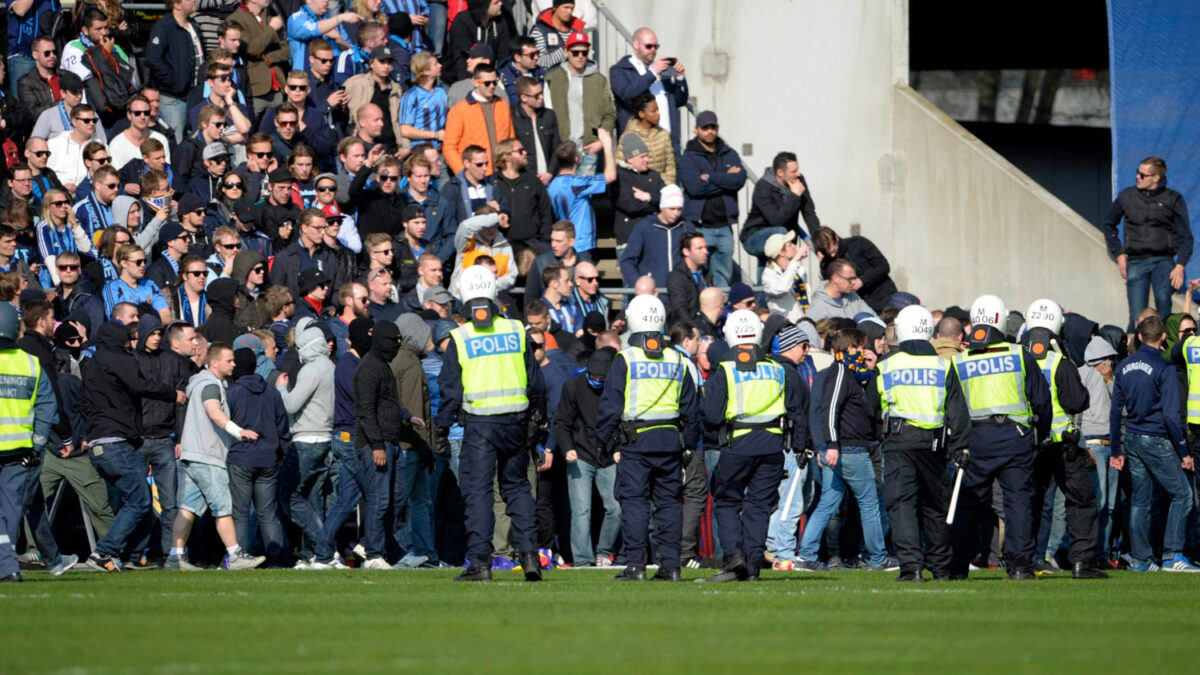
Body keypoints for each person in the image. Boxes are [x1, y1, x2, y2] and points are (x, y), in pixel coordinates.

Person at [437, 265, 546, 582]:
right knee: (518, 489)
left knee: (479, 492)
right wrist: (538, 429)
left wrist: (441, 431)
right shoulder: (516, 330)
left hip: (481, 427)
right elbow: (536, 385)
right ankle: (530, 559)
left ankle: (481, 564)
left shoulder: (461, 336)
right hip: (517, 424)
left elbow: (450, 390)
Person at [594, 294, 700, 582]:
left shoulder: (625, 359)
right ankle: (671, 567)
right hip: (670, 442)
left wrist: (600, 442)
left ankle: (637, 565)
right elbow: (691, 409)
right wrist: (689, 444)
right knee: (668, 504)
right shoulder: (678, 359)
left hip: (636, 442)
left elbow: (611, 406)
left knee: (635, 503)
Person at [947, 294, 1052, 580]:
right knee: (1018, 503)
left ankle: (958, 566)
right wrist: (1039, 437)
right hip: (1015, 438)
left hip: (976, 439)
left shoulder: (960, 361)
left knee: (969, 503)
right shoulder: (1020, 354)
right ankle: (1020, 566)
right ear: (1001, 320)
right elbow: (1042, 401)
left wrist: (958, 445)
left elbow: (953, 409)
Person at [698, 311, 808, 582]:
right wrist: (801, 447)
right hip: (772, 447)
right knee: (759, 506)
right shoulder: (778, 369)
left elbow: (710, 415)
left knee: (726, 501)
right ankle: (753, 565)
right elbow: (797, 410)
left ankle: (734, 556)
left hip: (737, 445)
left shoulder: (725, 369)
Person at [864, 305, 969, 581]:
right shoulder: (943, 366)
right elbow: (958, 413)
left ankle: (911, 568)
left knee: (902, 507)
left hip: (898, 442)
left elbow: (870, 408)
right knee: (935, 508)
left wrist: (881, 432)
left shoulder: (886, 366)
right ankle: (941, 568)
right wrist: (960, 448)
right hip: (934, 447)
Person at [79, 320, 182, 571]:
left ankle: (132, 556)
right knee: (139, 500)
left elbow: (82, 404)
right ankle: (104, 552)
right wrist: (172, 394)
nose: (131, 344)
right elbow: (140, 385)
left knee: (135, 500)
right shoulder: (120, 359)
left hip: (97, 445)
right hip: (116, 444)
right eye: (128, 339)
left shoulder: (91, 365)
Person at [1019, 299, 1108, 579]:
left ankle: (1025, 560)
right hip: (1061, 445)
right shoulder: (1061, 362)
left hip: (1029, 443)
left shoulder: (1016, 359)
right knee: (1081, 501)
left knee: (1029, 502)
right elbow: (1077, 401)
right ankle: (1082, 563)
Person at [794, 327, 896, 571]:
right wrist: (830, 444)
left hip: (842, 449)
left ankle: (806, 554)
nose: (863, 352)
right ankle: (877, 557)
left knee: (829, 501)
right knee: (869, 503)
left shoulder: (850, 373)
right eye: (860, 347)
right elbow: (829, 410)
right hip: (849, 450)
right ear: (850, 348)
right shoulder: (840, 372)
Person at [1110, 314, 1200, 572]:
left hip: (1134, 438)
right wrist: (1184, 450)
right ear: (1162, 337)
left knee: (1140, 500)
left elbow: (1116, 411)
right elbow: (1172, 415)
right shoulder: (1165, 367)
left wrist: (1117, 449)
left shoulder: (1123, 367)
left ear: (1139, 336)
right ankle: (1172, 556)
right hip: (1157, 439)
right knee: (1182, 495)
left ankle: (1141, 560)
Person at [165, 343, 266, 570]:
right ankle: (235, 554)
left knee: (188, 509)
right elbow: (214, 412)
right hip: (207, 456)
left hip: (194, 455)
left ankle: (175, 557)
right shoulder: (210, 385)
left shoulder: (202, 383)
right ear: (214, 363)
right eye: (229, 360)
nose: (234, 364)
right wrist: (238, 431)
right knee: (223, 508)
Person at [354, 318, 423, 569]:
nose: (397, 345)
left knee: (398, 496)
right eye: (393, 341)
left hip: (391, 442)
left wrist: (407, 416)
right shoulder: (369, 368)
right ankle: (373, 554)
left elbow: (387, 402)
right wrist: (377, 446)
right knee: (379, 500)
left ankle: (389, 550)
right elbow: (366, 410)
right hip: (377, 444)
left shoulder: (383, 365)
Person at [0, 302, 59, 582]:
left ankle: (8, 566)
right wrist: (37, 444)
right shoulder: (30, 364)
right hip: (19, 453)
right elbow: (48, 407)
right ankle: (8, 567)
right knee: (12, 511)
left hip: (14, 453)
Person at [1099, 157, 1193, 332]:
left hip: (1163, 261)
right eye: (1137, 172)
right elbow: (1108, 223)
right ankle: (1133, 353)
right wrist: (1119, 254)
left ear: (1156, 178)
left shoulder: (1173, 199)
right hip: (1136, 261)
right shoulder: (1127, 196)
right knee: (1137, 315)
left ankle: (1166, 350)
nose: (1137, 177)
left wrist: (1180, 265)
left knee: (1163, 304)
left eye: (1142, 175)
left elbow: (1186, 237)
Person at [312, 317, 372, 569]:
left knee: (346, 499)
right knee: (377, 494)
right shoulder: (349, 364)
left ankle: (323, 553)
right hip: (349, 437)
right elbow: (362, 402)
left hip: (349, 437)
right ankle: (371, 547)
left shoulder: (355, 362)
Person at [277, 317, 335, 566]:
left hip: (307, 439)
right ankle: (317, 553)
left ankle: (324, 546)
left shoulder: (313, 369)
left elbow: (291, 404)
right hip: (327, 438)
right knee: (313, 498)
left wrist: (281, 388)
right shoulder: (331, 366)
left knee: (289, 495)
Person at [225, 347, 290, 564]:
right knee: (268, 514)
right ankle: (277, 560)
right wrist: (281, 453)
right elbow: (283, 428)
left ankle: (242, 558)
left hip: (241, 458)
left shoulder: (231, 393)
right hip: (268, 458)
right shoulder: (272, 392)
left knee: (241, 514)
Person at [392, 314, 439, 568]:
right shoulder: (409, 363)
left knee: (418, 502)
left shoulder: (404, 359)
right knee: (407, 500)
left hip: (410, 446)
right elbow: (414, 412)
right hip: (411, 446)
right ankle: (375, 547)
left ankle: (426, 554)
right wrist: (425, 447)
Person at [679, 111, 746, 289]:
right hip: (701, 228)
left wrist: (709, 177)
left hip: (724, 226)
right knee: (699, 275)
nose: (709, 131)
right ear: (696, 129)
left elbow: (739, 180)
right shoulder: (689, 157)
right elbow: (695, 188)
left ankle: (721, 312)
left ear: (717, 128)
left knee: (723, 276)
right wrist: (725, 179)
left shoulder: (729, 153)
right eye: (705, 127)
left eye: (712, 127)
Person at [543, 32, 616, 175]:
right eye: (575, 52)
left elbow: (610, 114)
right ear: (566, 52)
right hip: (563, 151)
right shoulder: (552, 78)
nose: (580, 56)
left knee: (586, 192)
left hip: (590, 148)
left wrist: (600, 142)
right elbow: (547, 115)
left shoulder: (599, 80)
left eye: (584, 52)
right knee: (565, 194)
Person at [610, 27, 688, 152]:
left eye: (655, 47)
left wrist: (680, 78)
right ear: (636, 44)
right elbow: (627, 94)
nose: (653, 50)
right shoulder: (620, 70)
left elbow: (679, 101)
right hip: (639, 147)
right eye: (648, 46)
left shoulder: (661, 71)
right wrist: (652, 73)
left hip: (667, 144)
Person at [740, 151, 819, 260]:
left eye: (798, 169)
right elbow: (776, 220)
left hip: (782, 240)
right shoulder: (763, 187)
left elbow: (809, 213)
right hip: (754, 236)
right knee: (780, 234)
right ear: (780, 173)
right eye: (793, 171)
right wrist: (794, 196)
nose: (798, 174)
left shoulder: (798, 180)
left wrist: (820, 245)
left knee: (775, 266)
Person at [547, 129, 616, 254]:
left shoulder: (552, 185)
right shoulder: (576, 184)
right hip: (579, 243)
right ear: (577, 159)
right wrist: (607, 145)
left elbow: (584, 175)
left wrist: (592, 154)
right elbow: (610, 176)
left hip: (563, 243)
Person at [146, 0, 204, 143]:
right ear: (177, 5)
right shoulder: (163, 27)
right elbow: (154, 59)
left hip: (195, 96)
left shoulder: (194, 25)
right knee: (176, 142)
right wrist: (174, 83)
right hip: (174, 99)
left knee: (195, 141)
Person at [619, 184, 694, 290]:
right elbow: (627, 260)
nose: (676, 213)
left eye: (679, 209)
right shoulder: (645, 227)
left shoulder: (687, 227)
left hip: (681, 292)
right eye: (672, 209)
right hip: (653, 292)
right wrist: (639, 284)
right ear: (662, 207)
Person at [444, 63, 514, 175]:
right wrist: (463, 174)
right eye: (487, 83)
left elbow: (510, 140)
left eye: (495, 82)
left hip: (503, 174)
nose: (492, 86)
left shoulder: (503, 105)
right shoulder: (460, 110)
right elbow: (449, 147)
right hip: (475, 176)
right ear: (475, 82)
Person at [811, 226, 897, 314]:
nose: (832, 255)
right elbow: (830, 286)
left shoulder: (858, 243)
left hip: (885, 296)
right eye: (829, 253)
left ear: (836, 238)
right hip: (860, 306)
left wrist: (862, 280)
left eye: (834, 250)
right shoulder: (827, 263)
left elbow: (883, 266)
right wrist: (822, 264)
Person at [228, 0, 290, 120]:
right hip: (256, 89)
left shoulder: (269, 15)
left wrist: (267, 58)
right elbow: (251, 48)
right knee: (253, 132)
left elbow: (286, 51)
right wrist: (271, 29)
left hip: (277, 88)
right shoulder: (236, 19)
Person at [494, 139, 554, 257]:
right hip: (502, 246)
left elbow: (546, 212)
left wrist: (544, 242)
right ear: (506, 156)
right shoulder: (493, 182)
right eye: (520, 151)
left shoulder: (533, 181)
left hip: (532, 245)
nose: (525, 153)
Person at [613, 133, 663, 252]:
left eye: (647, 156)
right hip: (629, 238)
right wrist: (655, 205)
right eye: (642, 156)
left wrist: (649, 197)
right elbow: (630, 205)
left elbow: (667, 199)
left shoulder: (654, 175)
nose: (647, 160)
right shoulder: (618, 177)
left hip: (653, 235)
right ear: (630, 158)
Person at [445, 0, 515, 81]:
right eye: (496, 2)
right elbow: (462, 59)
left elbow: (504, 57)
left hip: (487, 80)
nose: (501, 4)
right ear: (484, 6)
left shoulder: (500, 22)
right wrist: (465, 87)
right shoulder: (463, 21)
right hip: (455, 79)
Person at [614, 92, 675, 185]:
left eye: (658, 110)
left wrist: (668, 185)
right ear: (642, 114)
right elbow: (620, 164)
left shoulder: (663, 134)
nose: (658, 114)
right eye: (653, 111)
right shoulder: (628, 137)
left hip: (661, 187)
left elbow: (670, 165)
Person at [288, 0, 360, 72]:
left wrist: (339, 39)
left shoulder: (332, 21)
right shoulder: (296, 19)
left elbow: (353, 53)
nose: (326, 1)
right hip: (305, 77)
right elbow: (313, 29)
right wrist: (339, 18)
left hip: (333, 77)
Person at [398, 52, 450, 149]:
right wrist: (435, 135)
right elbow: (405, 130)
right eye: (435, 64)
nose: (440, 65)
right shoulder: (411, 96)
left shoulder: (441, 92)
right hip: (420, 151)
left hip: (441, 149)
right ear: (426, 71)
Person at [805, 259, 877, 322]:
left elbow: (873, 317)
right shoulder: (817, 308)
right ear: (835, 278)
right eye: (850, 279)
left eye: (855, 278)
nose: (854, 282)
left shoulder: (852, 295)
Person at [760, 231, 809, 323]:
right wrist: (795, 261)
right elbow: (781, 288)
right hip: (786, 328)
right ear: (781, 252)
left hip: (806, 322)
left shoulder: (798, 268)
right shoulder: (768, 275)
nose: (795, 246)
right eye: (790, 245)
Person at [666, 232, 709, 325]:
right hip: (688, 330)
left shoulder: (707, 274)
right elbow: (679, 308)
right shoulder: (677, 276)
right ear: (686, 251)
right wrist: (693, 329)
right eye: (699, 248)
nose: (705, 252)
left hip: (707, 328)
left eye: (705, 247)